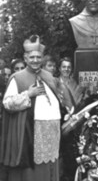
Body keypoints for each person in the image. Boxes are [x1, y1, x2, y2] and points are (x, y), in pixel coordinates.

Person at [0, 35, 62, 181]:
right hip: (30, 131)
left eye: (38, 57)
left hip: (51, 131)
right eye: (32, 57)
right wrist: (28, 94)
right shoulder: (17, 78)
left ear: (42, 58)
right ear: (25, 57)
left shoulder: (48, 76)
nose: (35, 60)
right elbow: (7, 103)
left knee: (50, 167)